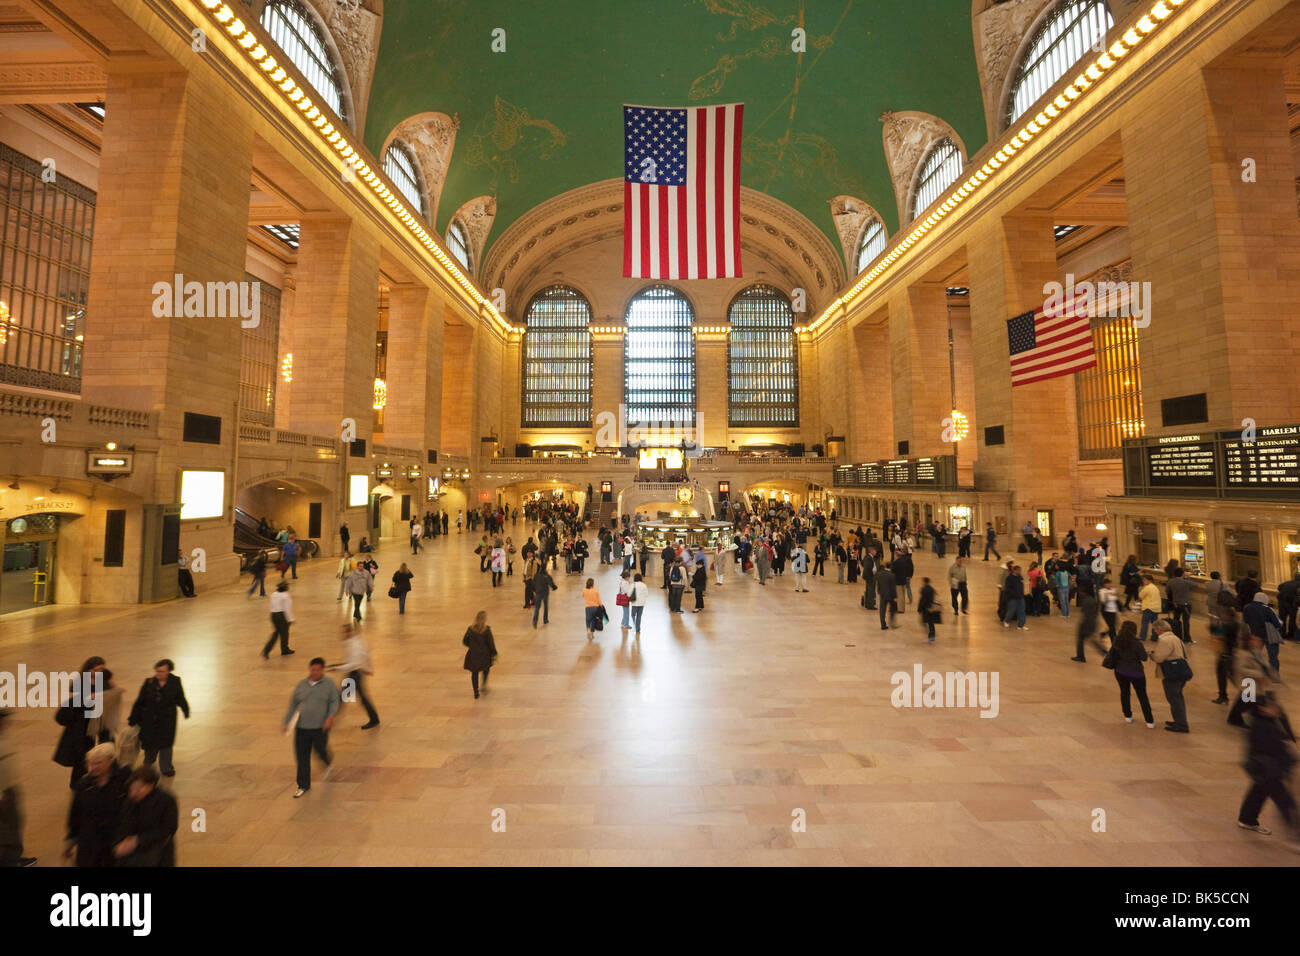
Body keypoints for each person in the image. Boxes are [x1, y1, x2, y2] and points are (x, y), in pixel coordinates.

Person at [1236, 694, 1300, 846]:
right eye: (1272, 706)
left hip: (1262, 768)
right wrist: (1290, 761)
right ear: (1262, 709)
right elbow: (1275, 749)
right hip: (1268, 769)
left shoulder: (1263, 722)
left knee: (1258, 791)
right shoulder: (1263, 726)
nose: (1276, 709)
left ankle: (1246, 819)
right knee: (1286, 802)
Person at [64, 741, 130, 866]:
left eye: (98, 763)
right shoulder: (84, 785)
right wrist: (71, 840)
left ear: (110, 761)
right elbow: (75, 814)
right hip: (89, 842)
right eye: (91, 763)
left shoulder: (124, 780)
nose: (93, 767)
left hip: (115, 840)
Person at [283, 658, 338, 798]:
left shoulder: (329, 684)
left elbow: (334, 700)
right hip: (302, 728)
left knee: (320, 750)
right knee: (302, 757)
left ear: (322, 670)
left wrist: (330, 717)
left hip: (320, 728)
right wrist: (287, 721)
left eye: (318, 670)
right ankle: (303, 785)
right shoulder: (301, 685)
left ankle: (327, 762)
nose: (314, 672)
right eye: (312, 669)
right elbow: (293, 705)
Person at [128, 659, 190, 777]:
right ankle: (148, 765)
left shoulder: (175, 681)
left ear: (168, 671)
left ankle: (166, 768)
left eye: (161, 671)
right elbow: (140, 701)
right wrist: (133, 718)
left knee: (166, 744)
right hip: (150, 720)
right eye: (157, 671)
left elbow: (180, 697)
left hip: (167, 720)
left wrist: (185, 709)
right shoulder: (149, 682)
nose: (158, 674)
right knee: (150, 743)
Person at [113, 766, 178, 866]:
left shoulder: (166, 800)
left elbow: (169, 828)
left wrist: (137, 840)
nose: (134, 792)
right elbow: (122, 824)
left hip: (157, 854)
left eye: (140, 788)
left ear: (151, 785)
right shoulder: (129, 802)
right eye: (132, 789)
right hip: (131, 857)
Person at [1104, 621, 1155, 728]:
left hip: (1120, 671)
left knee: (1125, 693)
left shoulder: (1117, 640)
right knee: (1142, 696)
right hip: (1136, 673)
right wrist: (1147, 653)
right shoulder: (1137, 643)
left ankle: (1127, 715)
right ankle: (1149, 721)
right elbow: (1144, 658)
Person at [0, 709, 34, 866]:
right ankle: (11, 861)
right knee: (7, 828)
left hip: (10, 787)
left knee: (15, 823)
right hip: (3, 793)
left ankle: (13, 857)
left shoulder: (4, 736)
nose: (6, 723)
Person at [329, 622, 379, 729]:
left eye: (344, 632)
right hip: (355, 674)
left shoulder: (354, 645)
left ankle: (329, 719)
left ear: (349, 633)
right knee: (345, 697)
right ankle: (374, 718)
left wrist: (338, 668)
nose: (342, 634)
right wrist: (368, 668)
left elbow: (354, 663)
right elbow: (365, 655)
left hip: (355, 674)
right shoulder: (353, 642)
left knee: (342, 697)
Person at [1149, 620, 1191, 733]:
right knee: (1177, 698)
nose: (1154, 632)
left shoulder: (1164, 640)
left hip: (1172, 673)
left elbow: (1159, 658)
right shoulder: (1176, 638)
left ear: (1159, 629)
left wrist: (1151, 655)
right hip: (1181, 672)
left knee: (1174, 699)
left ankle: (1181, 725)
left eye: (1155, 630)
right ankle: (1178, 721)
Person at [1243, 591, 1284, 675]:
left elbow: (1245, 621)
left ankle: (1256, 673)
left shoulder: (1247, 607)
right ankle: (1274, 675)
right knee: (1273, 657)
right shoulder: (1268, 609)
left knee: (1256, 655)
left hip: (1255, 635)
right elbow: (1278, 624)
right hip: (1269, 636)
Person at [463, 611, 498, 699]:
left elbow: (464, 641)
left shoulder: (470, 629)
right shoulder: (486, 630)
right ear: (484, 619)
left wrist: (471, 646)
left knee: (474, 673)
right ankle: (484, 684)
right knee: (485, 670)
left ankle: (476, 692)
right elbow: (491, 643)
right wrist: (494, 653)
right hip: (484, 655)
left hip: (473, 654)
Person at [263, 580, 295, 658]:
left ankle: (266, 650)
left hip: (273, 615)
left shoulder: (273, 594)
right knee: (284, 634)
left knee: (276, 633)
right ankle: (284, 650)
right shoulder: (286, 596)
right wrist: (290, 619)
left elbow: (271, 605)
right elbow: (287, 609)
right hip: (282, 616)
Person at [1072, 588, 1101, 663]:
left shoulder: (1086, 600)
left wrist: (1083, 624)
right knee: (1091, 640)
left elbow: (1085, 612)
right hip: (1092, 621)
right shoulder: (1092, 599)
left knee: (1081, 639)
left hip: (1086, 623)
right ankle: (1104, 652)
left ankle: (1080, 656)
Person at [1168, 565, 1193, 643]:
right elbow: (1195, 585)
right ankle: (1187, 638)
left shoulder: (1171, 581)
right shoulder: (1186, 582)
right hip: (1186, 604)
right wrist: (1187, 577)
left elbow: (1168, 591)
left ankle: (1176, 635)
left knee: (1176, 620)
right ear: (1182, 574)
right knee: (1186, 622)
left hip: (1176, 604)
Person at [1002, 565, 1028, 631]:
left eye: (1020, 570)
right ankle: (1006, 621)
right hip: (1012, 598)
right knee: (1011, 610)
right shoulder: (1009, 578)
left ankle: (1021, 625)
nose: (1020, 571)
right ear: (1014, 570)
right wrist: (1014, 594)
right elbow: (1007, 588)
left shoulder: (1020, 577)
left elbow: (1022, 586)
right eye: (1018, 570)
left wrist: (1022, 594)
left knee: (1022, 611)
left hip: (1020, 597)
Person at [1137, 574, 1162, 642]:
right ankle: (1155, 637)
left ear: (1149, 580)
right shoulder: (1155, 587)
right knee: (1155, 624)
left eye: (1144, 580)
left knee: (1145, 623)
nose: (1143, 581)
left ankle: (1142, 637)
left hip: (1149, 608)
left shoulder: (1147, 587)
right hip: (1156, 608)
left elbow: (1140, 595)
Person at [532, 563, 557, 628]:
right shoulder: (546, 576)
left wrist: (534, 590)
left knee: (537, 607)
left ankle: (535, 620)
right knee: (545, 606)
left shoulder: (536, 575)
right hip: (545, 593)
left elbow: (533, 584)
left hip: (538, 592)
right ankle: (545, 620)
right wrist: (554, 587)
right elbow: (551, 583)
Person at [876, 562, 898, 631]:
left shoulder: (879, 574)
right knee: (893, 609)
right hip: (890, 595)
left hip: (882, 594)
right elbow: (893, 587)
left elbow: (878, 584)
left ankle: (883, 624)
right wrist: (895, 596)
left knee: (882, 610)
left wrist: (879, 591)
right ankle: (892, 622)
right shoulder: (892, 575)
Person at [919, 577, 940, 644]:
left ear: (925, 582)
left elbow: (922, 600)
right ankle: (931, 637)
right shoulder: (931, 589)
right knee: (931, 623)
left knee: (928, 623)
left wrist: (920, 608)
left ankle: (931, 638)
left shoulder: (924, 589)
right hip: (932, 608)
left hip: (927, 609)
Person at [629, 572, 648, 639]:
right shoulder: (644, 585)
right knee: (639, 616)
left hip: (634, 603)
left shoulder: (632, 585)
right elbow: (646, 594)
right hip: (642, 603)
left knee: (633, 615)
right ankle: (638, 628)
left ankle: (634, 625)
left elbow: (629, 594)